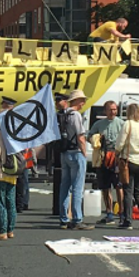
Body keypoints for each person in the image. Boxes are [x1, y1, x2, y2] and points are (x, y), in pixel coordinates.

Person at [59, 90, 93, 230]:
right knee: (77, 187)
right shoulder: (76, 115)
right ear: (77, 101)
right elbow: (80, 136)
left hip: (64, 152)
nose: (84, 103)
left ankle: (63, 218)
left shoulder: (62, 114)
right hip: (76, 152)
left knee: (65, 186)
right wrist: (84, 152)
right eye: (82, 100)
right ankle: (77, 219)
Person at [88, 101, 124, 225]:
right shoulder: (99, 124)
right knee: (105, 187)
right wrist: (96, 139)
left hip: (116, 157)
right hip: (103, 157)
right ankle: (109, 213)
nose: (113, 112)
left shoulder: (121, 124)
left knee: (119, 186)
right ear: (105, 111)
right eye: (110, 110)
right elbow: (90, 136)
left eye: (114, 109)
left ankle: (122, 212)